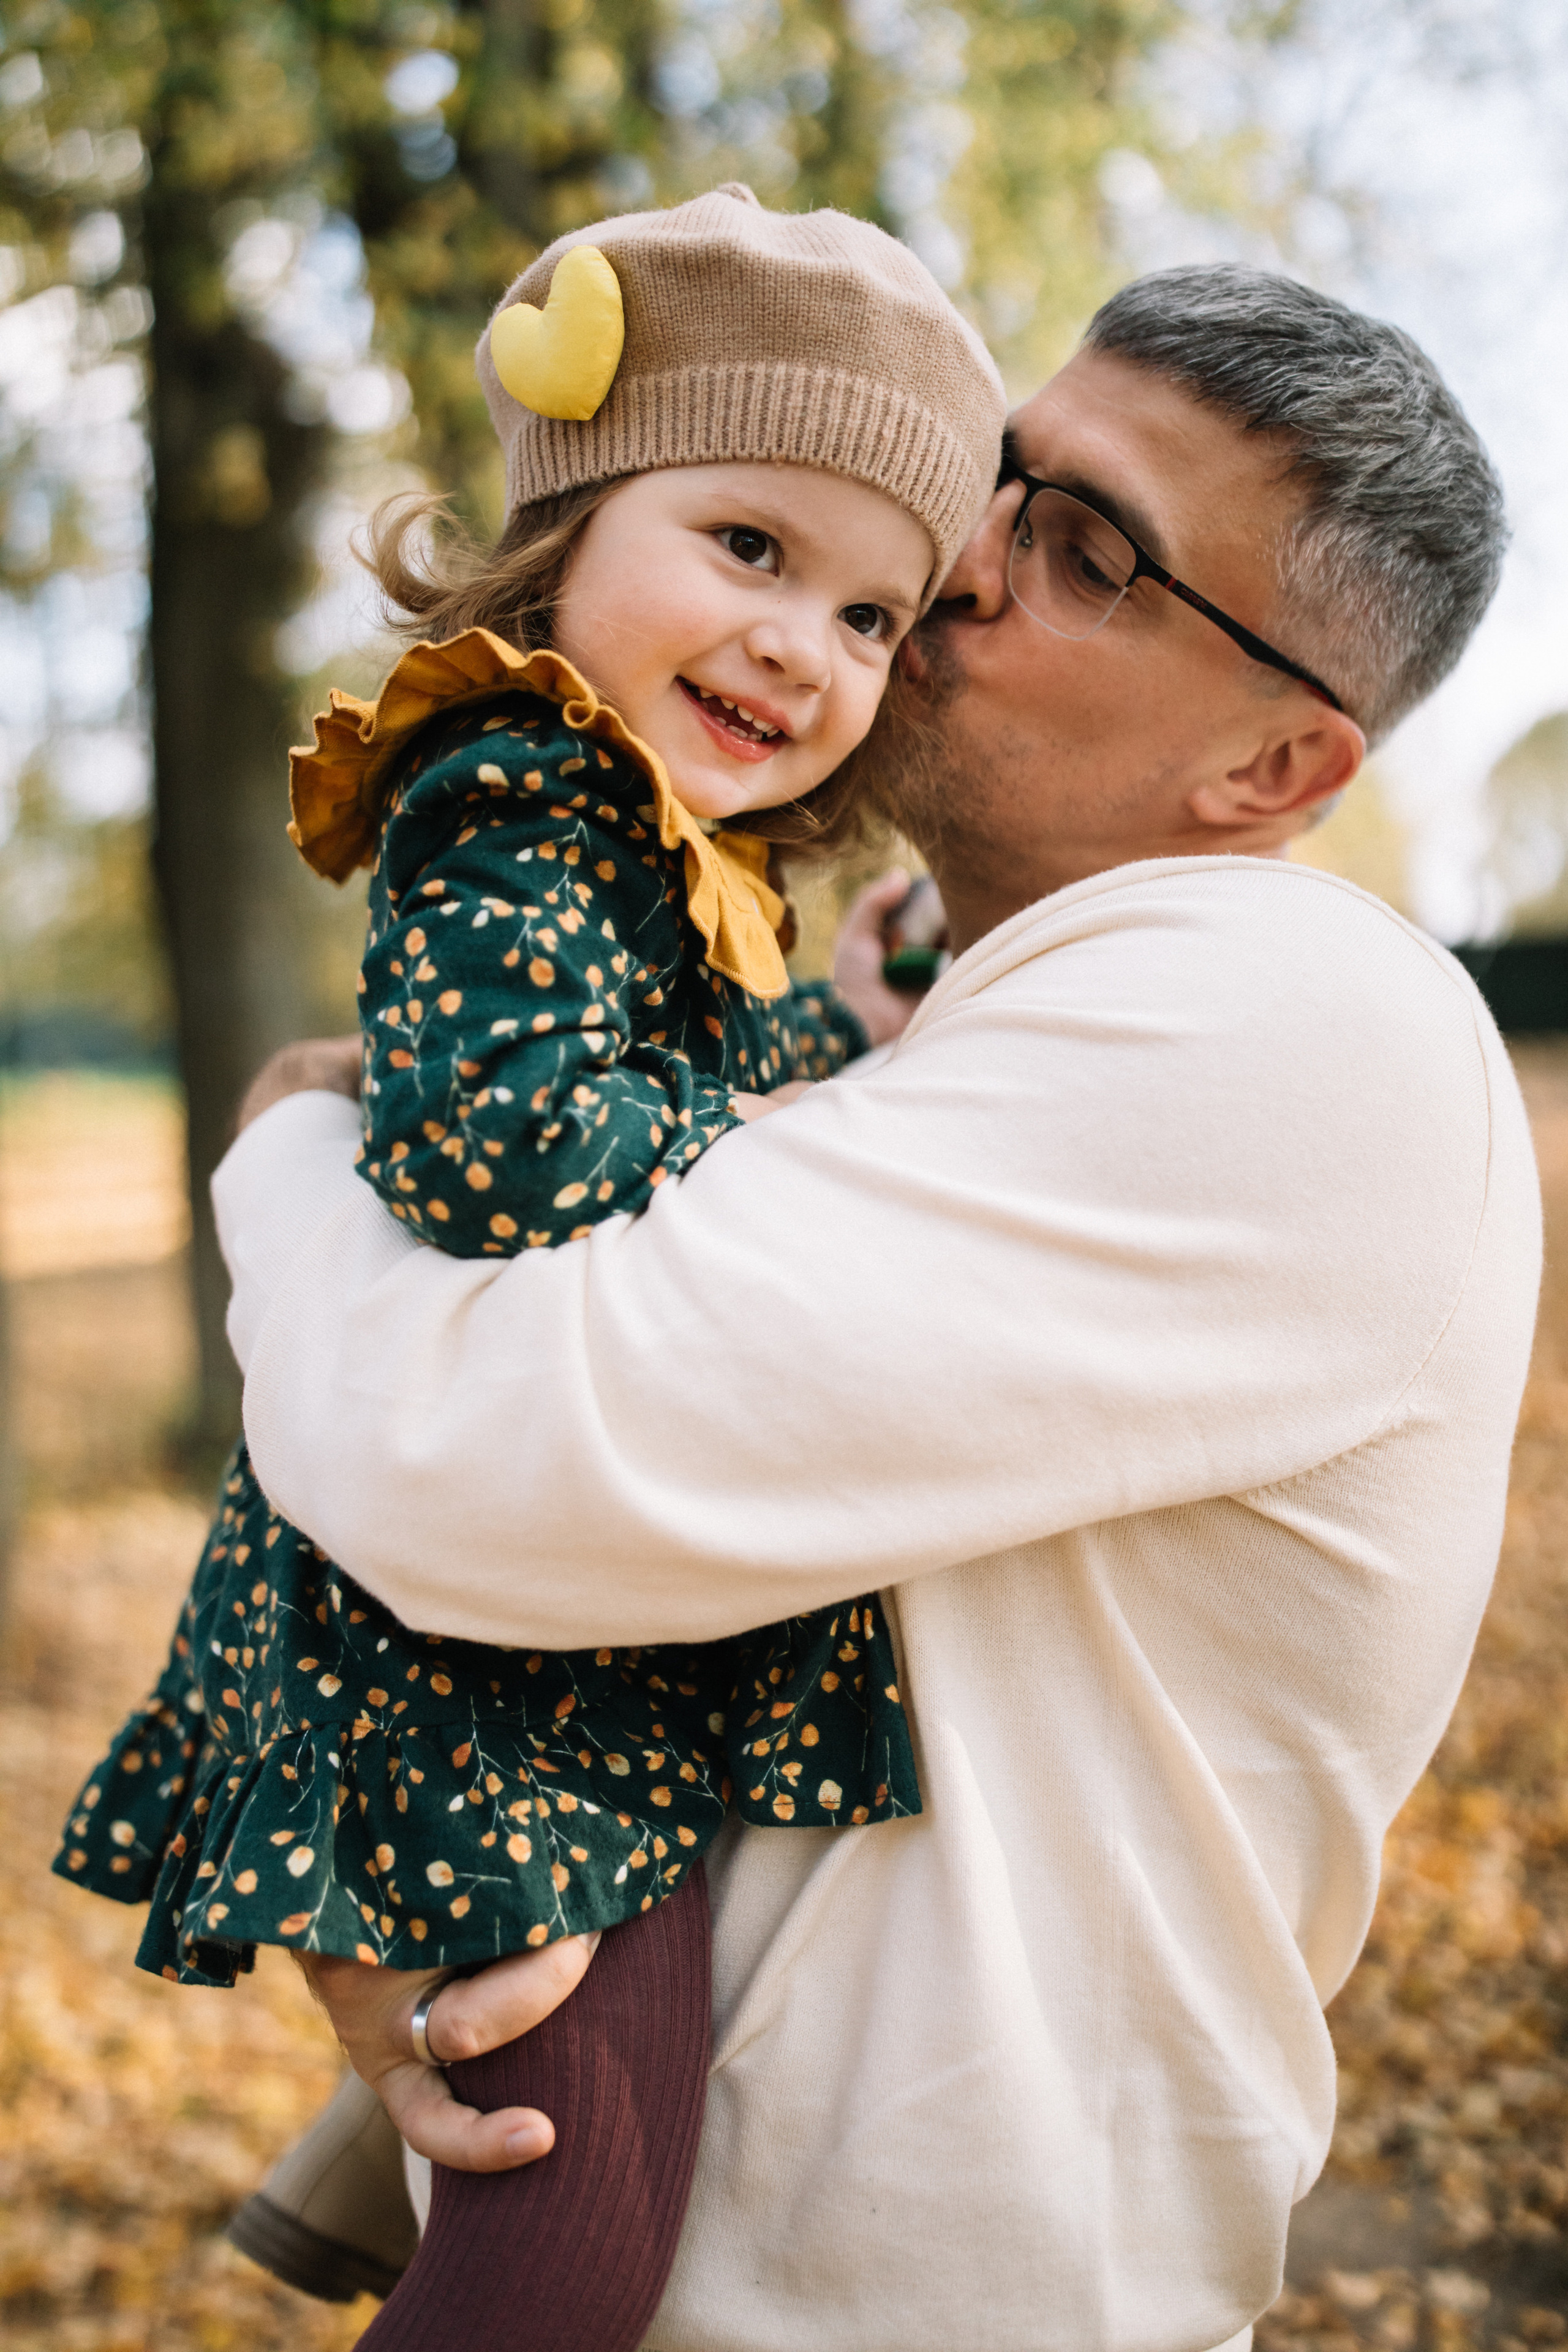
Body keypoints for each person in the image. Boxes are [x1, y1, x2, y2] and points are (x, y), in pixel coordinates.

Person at [201, 265, 1540, 2352]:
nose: (963, 561)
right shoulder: (915, 1011)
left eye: (1087, 548)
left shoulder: (1306, 1022)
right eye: (999, 476)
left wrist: (282, 1155)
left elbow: (453, 1457)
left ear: (1280, 762)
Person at [52, 185, 1005, 2352]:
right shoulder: (511, 785)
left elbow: (630, 1085)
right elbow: (504, 1158)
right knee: (553, 2241)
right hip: (458, 1662)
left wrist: (832, 1046)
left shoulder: (655, 842)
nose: (802, 647)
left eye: (874, 616)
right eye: (748, 550)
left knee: (608, 2201)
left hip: (550, 1657)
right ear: (567, 518)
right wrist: (799, 1129)